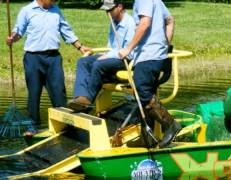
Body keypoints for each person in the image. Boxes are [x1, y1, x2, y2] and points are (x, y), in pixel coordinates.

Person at [6, 0, 91, 136]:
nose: (54, 0)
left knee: (59, 92)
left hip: (53, 58)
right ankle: (32, 126)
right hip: (33, 58)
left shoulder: (56, 10)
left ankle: (64, 124)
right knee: (34, 93)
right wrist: (12, 38)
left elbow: (66, 30)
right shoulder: (27, 10)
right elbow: (18, 31)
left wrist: (80, 47)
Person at [118, 0, 180, 148]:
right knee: (146, 94)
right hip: (153, 54)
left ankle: (171, 125)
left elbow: (145, 23)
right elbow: (170, 20)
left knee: (142, 92)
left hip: (148, 55)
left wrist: (128, 49)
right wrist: (166, 45)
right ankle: (148, 137)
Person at [67, 0, 135, 112]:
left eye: (110, 9)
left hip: (125, 60)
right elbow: (111, 46)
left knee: (98, 64)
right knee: (83, 61)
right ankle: (80, 98)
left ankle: (88, 100)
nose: (107, 12)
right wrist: (105, 54)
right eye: (106, 10)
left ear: (120, 7)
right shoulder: (113, 22)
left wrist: (108, 56)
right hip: (112, 57)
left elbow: (129, 52)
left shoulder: (130, 23)